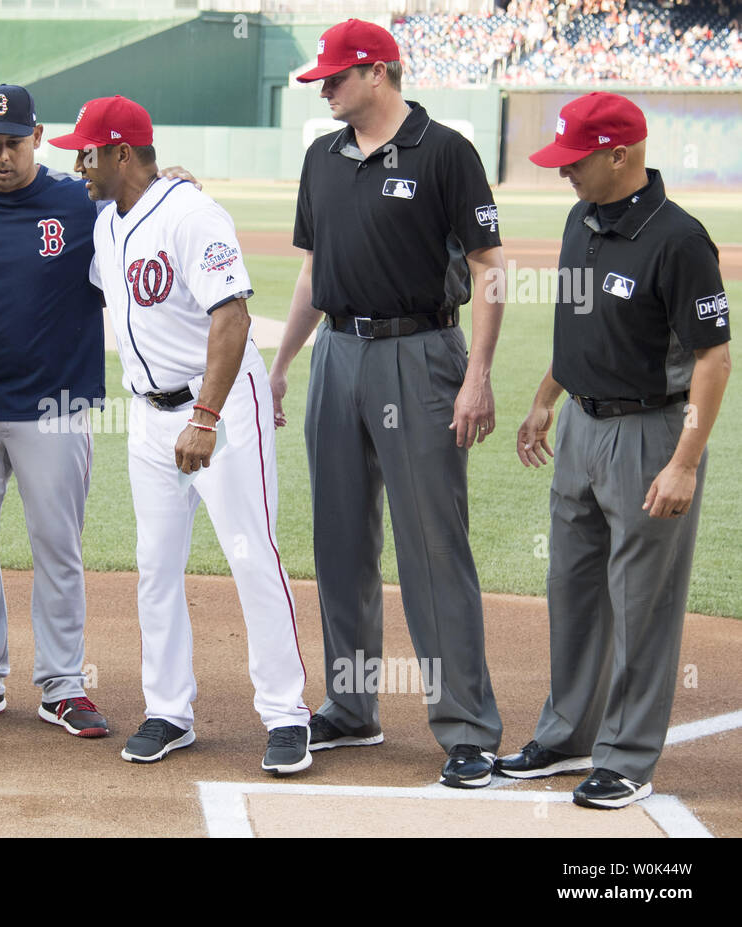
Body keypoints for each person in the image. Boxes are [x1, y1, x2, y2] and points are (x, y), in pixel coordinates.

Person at [268, 19, 506, 788]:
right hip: (337, 353)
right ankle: (350, 704)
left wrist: (478, 375)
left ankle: (467, 727)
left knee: (433, 547)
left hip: (422, 355)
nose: (326, 89)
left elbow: (490, 269)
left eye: (337, 77)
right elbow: (311, 274)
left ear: (378, 73)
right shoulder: (322, 156)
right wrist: (281, 365)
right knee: (339, 540)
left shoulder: (446, 152)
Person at [50, 95, 314, 775]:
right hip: (148, 414)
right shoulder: (107, 222)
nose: (79, 163)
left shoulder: (194, 215)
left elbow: (232, 317)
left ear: (120, 153)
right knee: (155, 563)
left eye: (87, 151)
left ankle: (286, 713)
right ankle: (169, 709)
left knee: (251, 552)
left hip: (220, 408)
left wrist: (205, 415)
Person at [498, 92, 731, 809]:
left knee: (642, 602)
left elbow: (715, 360)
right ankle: (567, 732)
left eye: (576, 160)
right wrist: (545, 398)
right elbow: (581, 331)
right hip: (579, 430)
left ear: (620, 155)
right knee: (572, 589)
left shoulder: (681, 239)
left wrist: (685, 460)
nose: (564, 172)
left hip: (648, 434)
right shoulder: (580, 220)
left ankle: (627, 755)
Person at [0, 84, 108, 737]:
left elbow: (143, 215)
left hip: (55, 407)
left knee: (57, 547)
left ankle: (63, 684)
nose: (1, 156)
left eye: (13, 142)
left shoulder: (79, 201)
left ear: (37, 136)